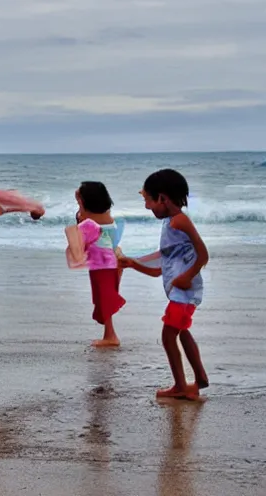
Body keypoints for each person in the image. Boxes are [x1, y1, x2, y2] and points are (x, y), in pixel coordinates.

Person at [119, 169, 209, 400]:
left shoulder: (179, 221)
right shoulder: (171, 223)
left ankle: (181, 386)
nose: (147, 207)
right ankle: (199, 378)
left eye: (148, 200)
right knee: (181, 331)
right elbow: (161, 267)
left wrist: (187, 277)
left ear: (163, 198)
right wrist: (132, 263)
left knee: (169, 336)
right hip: (181, 292)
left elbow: (203, 254)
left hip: (184, 292)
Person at [66, 182, 126, 347]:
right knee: (103, 297)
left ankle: (111, 336)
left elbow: (81, 238)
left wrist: (79, 218)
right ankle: (109, 334)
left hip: (102, 265)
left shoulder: (89, 222)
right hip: (111, 262)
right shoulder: (108, 217)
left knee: (104, 298)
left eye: (80, 201)